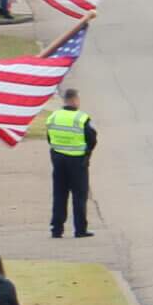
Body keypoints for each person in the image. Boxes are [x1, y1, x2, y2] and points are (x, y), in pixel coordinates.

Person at [44, 87, 97, 239]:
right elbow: (92, 138)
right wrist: (87, 153)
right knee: (79, 196)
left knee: (59, 195)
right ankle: (80, 229)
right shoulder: (81, 118)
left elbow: (49, 138)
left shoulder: (53, 117)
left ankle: (56, 229)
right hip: (77, 161)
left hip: (58, 161)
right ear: (74, 100)